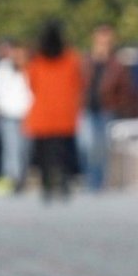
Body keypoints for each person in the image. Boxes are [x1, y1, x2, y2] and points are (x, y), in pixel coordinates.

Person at [25, 21, 83, 203]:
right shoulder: (71, 59)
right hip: (64, 114)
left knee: (43, 155)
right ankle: (64, 182)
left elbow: (31, 84)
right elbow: (78, 83)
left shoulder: (37, 61)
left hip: (42, 114)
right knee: (63, 153)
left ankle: (46, 185)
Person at [78, 25, 138, 192]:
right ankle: (89, 176)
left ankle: (97, 182)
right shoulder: (84, 61)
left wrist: (117, 104)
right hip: (86, 108)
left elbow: (125, 89)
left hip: (106, 110)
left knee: (101, 147)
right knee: (85, 145)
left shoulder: (116, 65)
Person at [0, 40, 32, 195]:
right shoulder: (3, 68)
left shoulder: (32, 69)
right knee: (11, 148)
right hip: (8, 115)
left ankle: (21, 177)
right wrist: (1, 106)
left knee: (24, 149)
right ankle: (12, 178)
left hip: (27, 115)